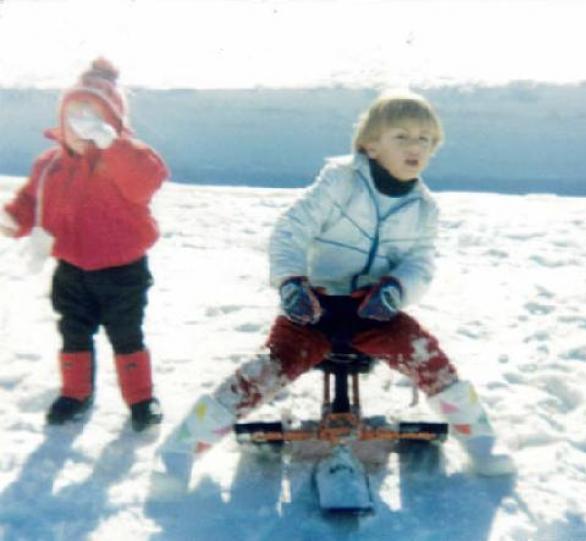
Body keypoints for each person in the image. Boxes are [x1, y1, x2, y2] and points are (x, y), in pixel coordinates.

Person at [157, 89, 515, 487]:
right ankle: (180, 451)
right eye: (402, 136)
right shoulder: (340, 182)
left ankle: (482, 444)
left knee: (427, 357)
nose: (415, 146)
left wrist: (396, 288)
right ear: (371, 146)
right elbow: (291, 233)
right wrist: (292, 282)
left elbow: (421, 262)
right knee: (265, 370)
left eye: (425, 139)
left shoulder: (423, 208)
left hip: (374, 308)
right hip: (316, 305)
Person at [0, 58, 168, 431]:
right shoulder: (50, 165)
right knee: (73, 331)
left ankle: (141, 399)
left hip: (123, 270)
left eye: (91, 118)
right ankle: (75, 393)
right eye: (72, 115)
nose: (79, 126)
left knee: (126, 335)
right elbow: (33, 199)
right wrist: (14, 218)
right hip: (72, 269)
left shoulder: (127, 157)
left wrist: (114, 145)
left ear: (111, 123)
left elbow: (147, 179)